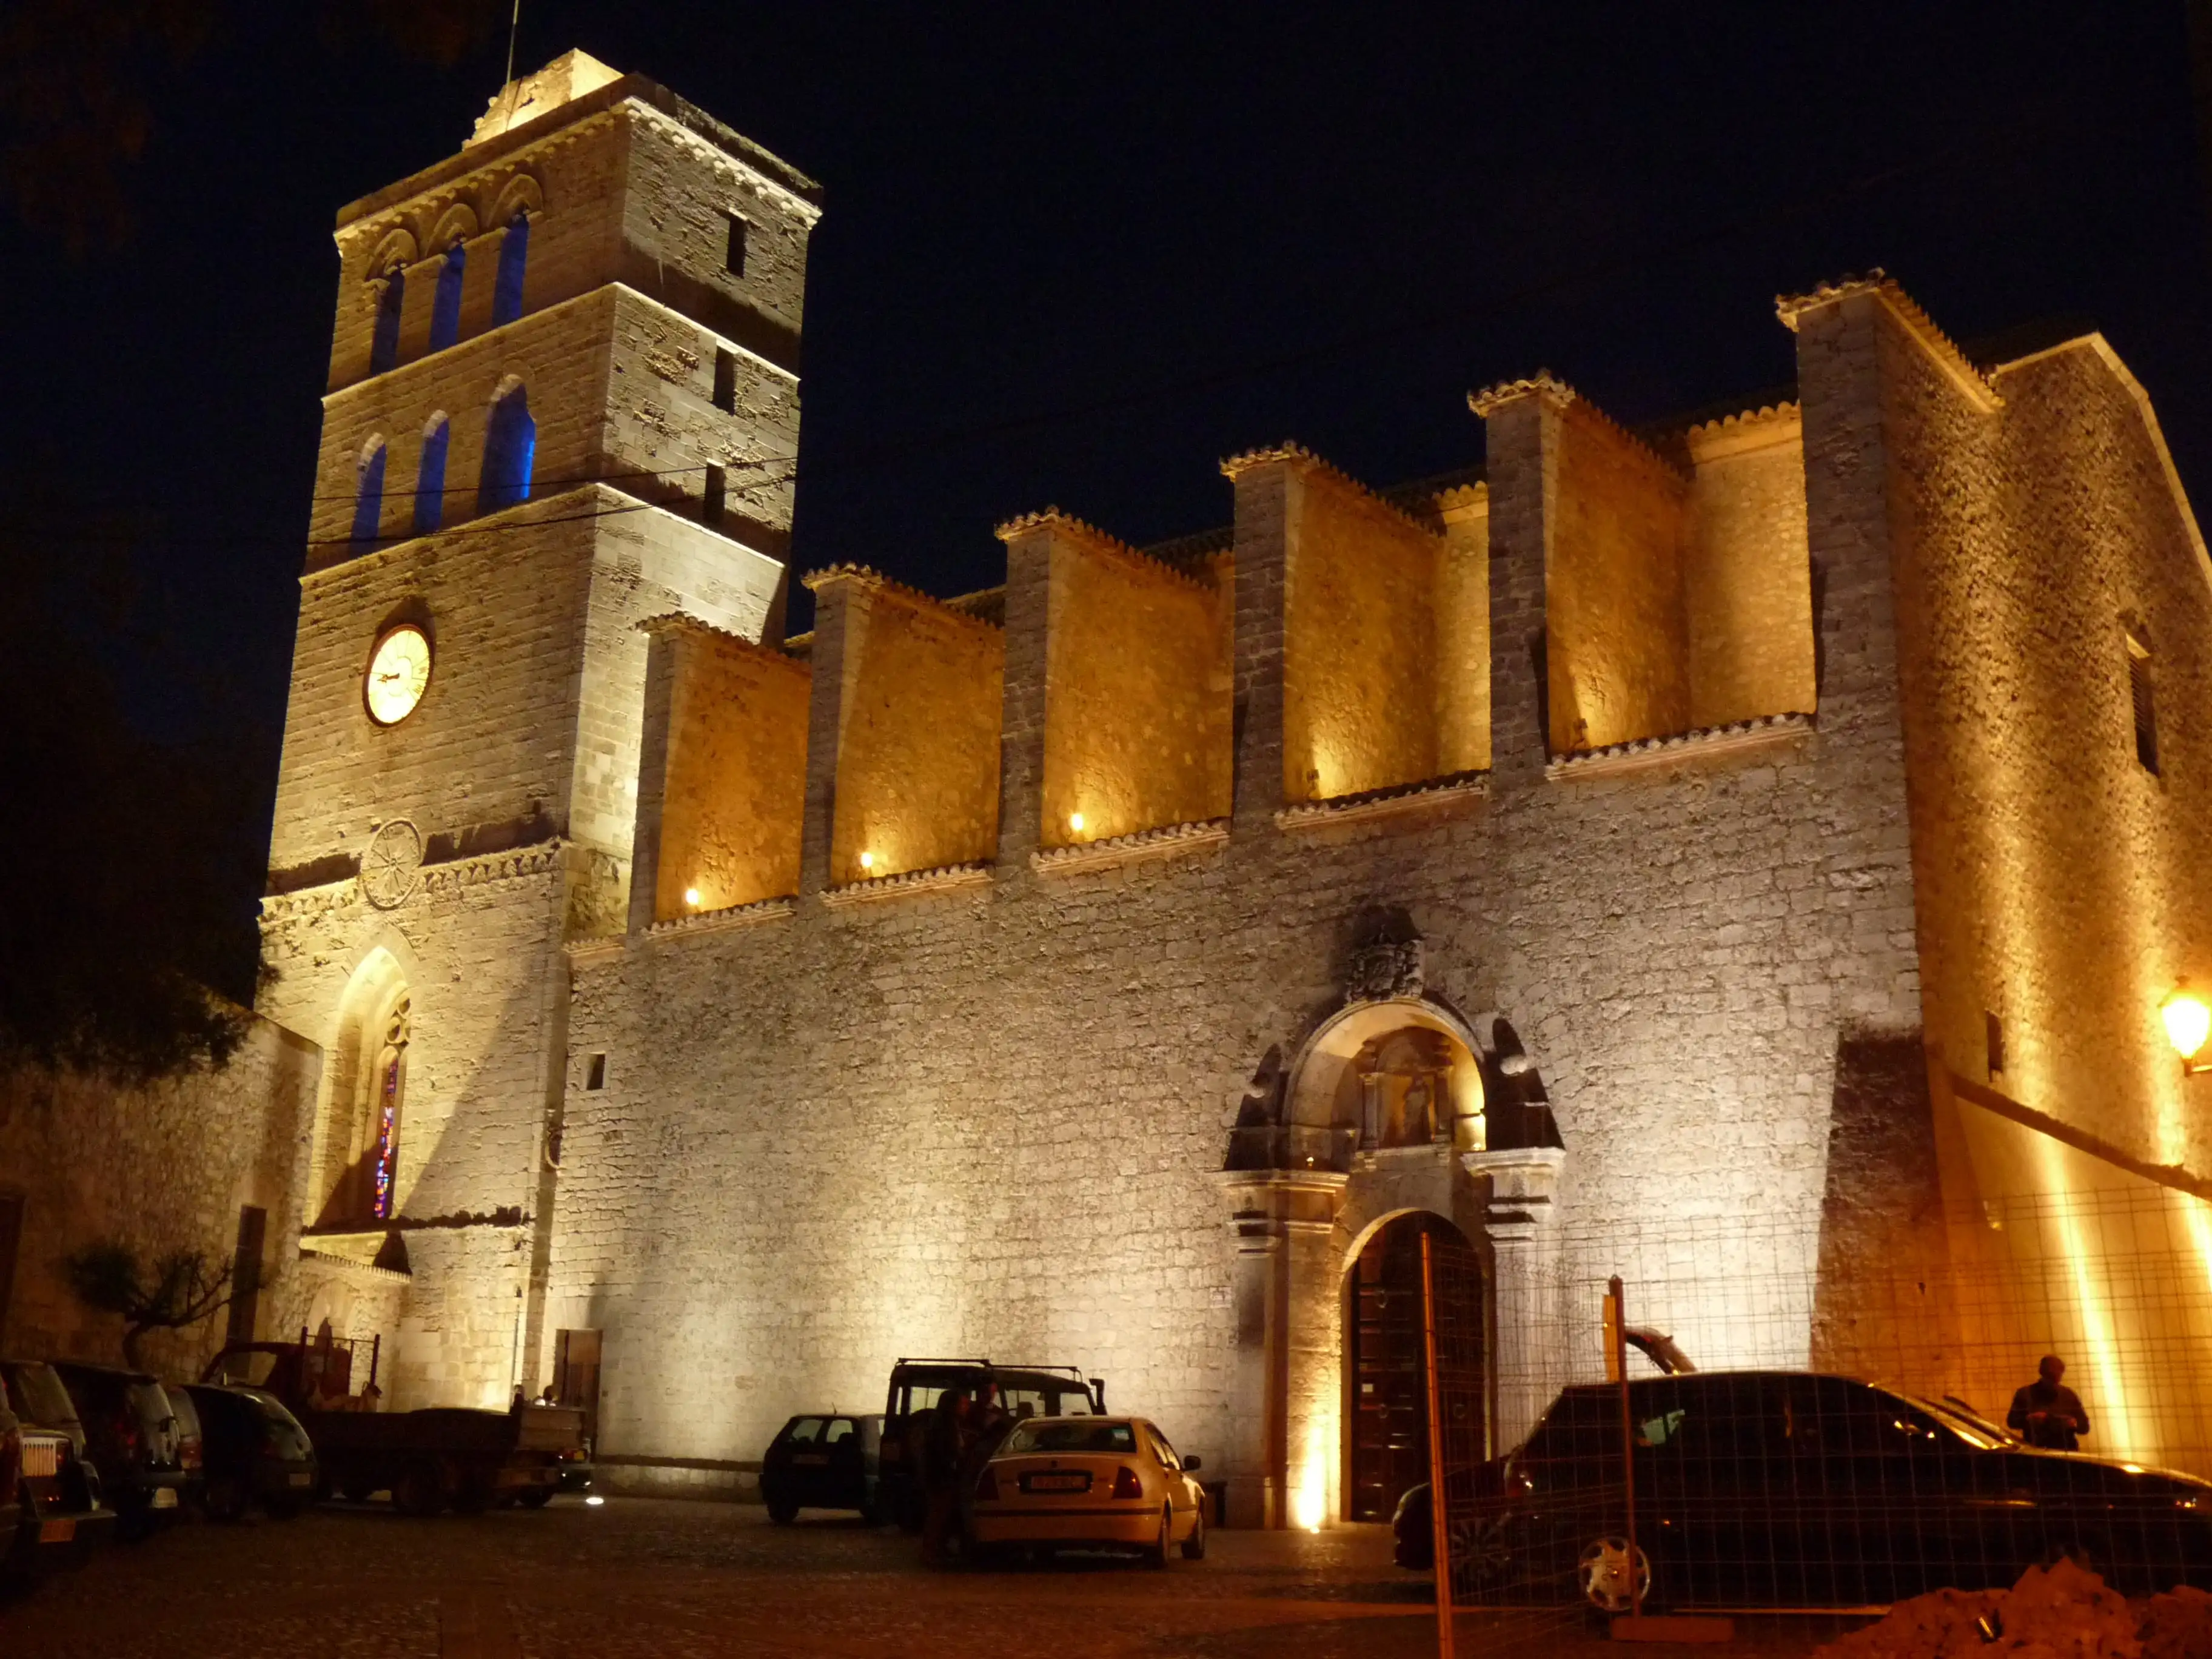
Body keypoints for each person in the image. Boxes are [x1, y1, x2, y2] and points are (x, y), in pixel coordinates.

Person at [920, 1390, 972, 1567]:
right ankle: (930, 1552)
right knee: (938, 1515)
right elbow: (945, 1453)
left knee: (942, 1515)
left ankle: (938, 1549)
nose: (967, 1408)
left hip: (944, 1476)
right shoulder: (943, 1427)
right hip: (941, 1478)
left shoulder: (950, 1424)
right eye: (963, 1404)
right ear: (953, 1406)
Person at [2008, 1355, 2091, 1450]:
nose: (2054, 1381)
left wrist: (2073, 1424)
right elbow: (2012, 1422)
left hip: (2041, 1450)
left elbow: (2084, 1427)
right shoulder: (2068, 1395)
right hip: (2053, 1450)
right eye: (2051, 1376)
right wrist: (2028, 1420)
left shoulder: (2026, 1393)